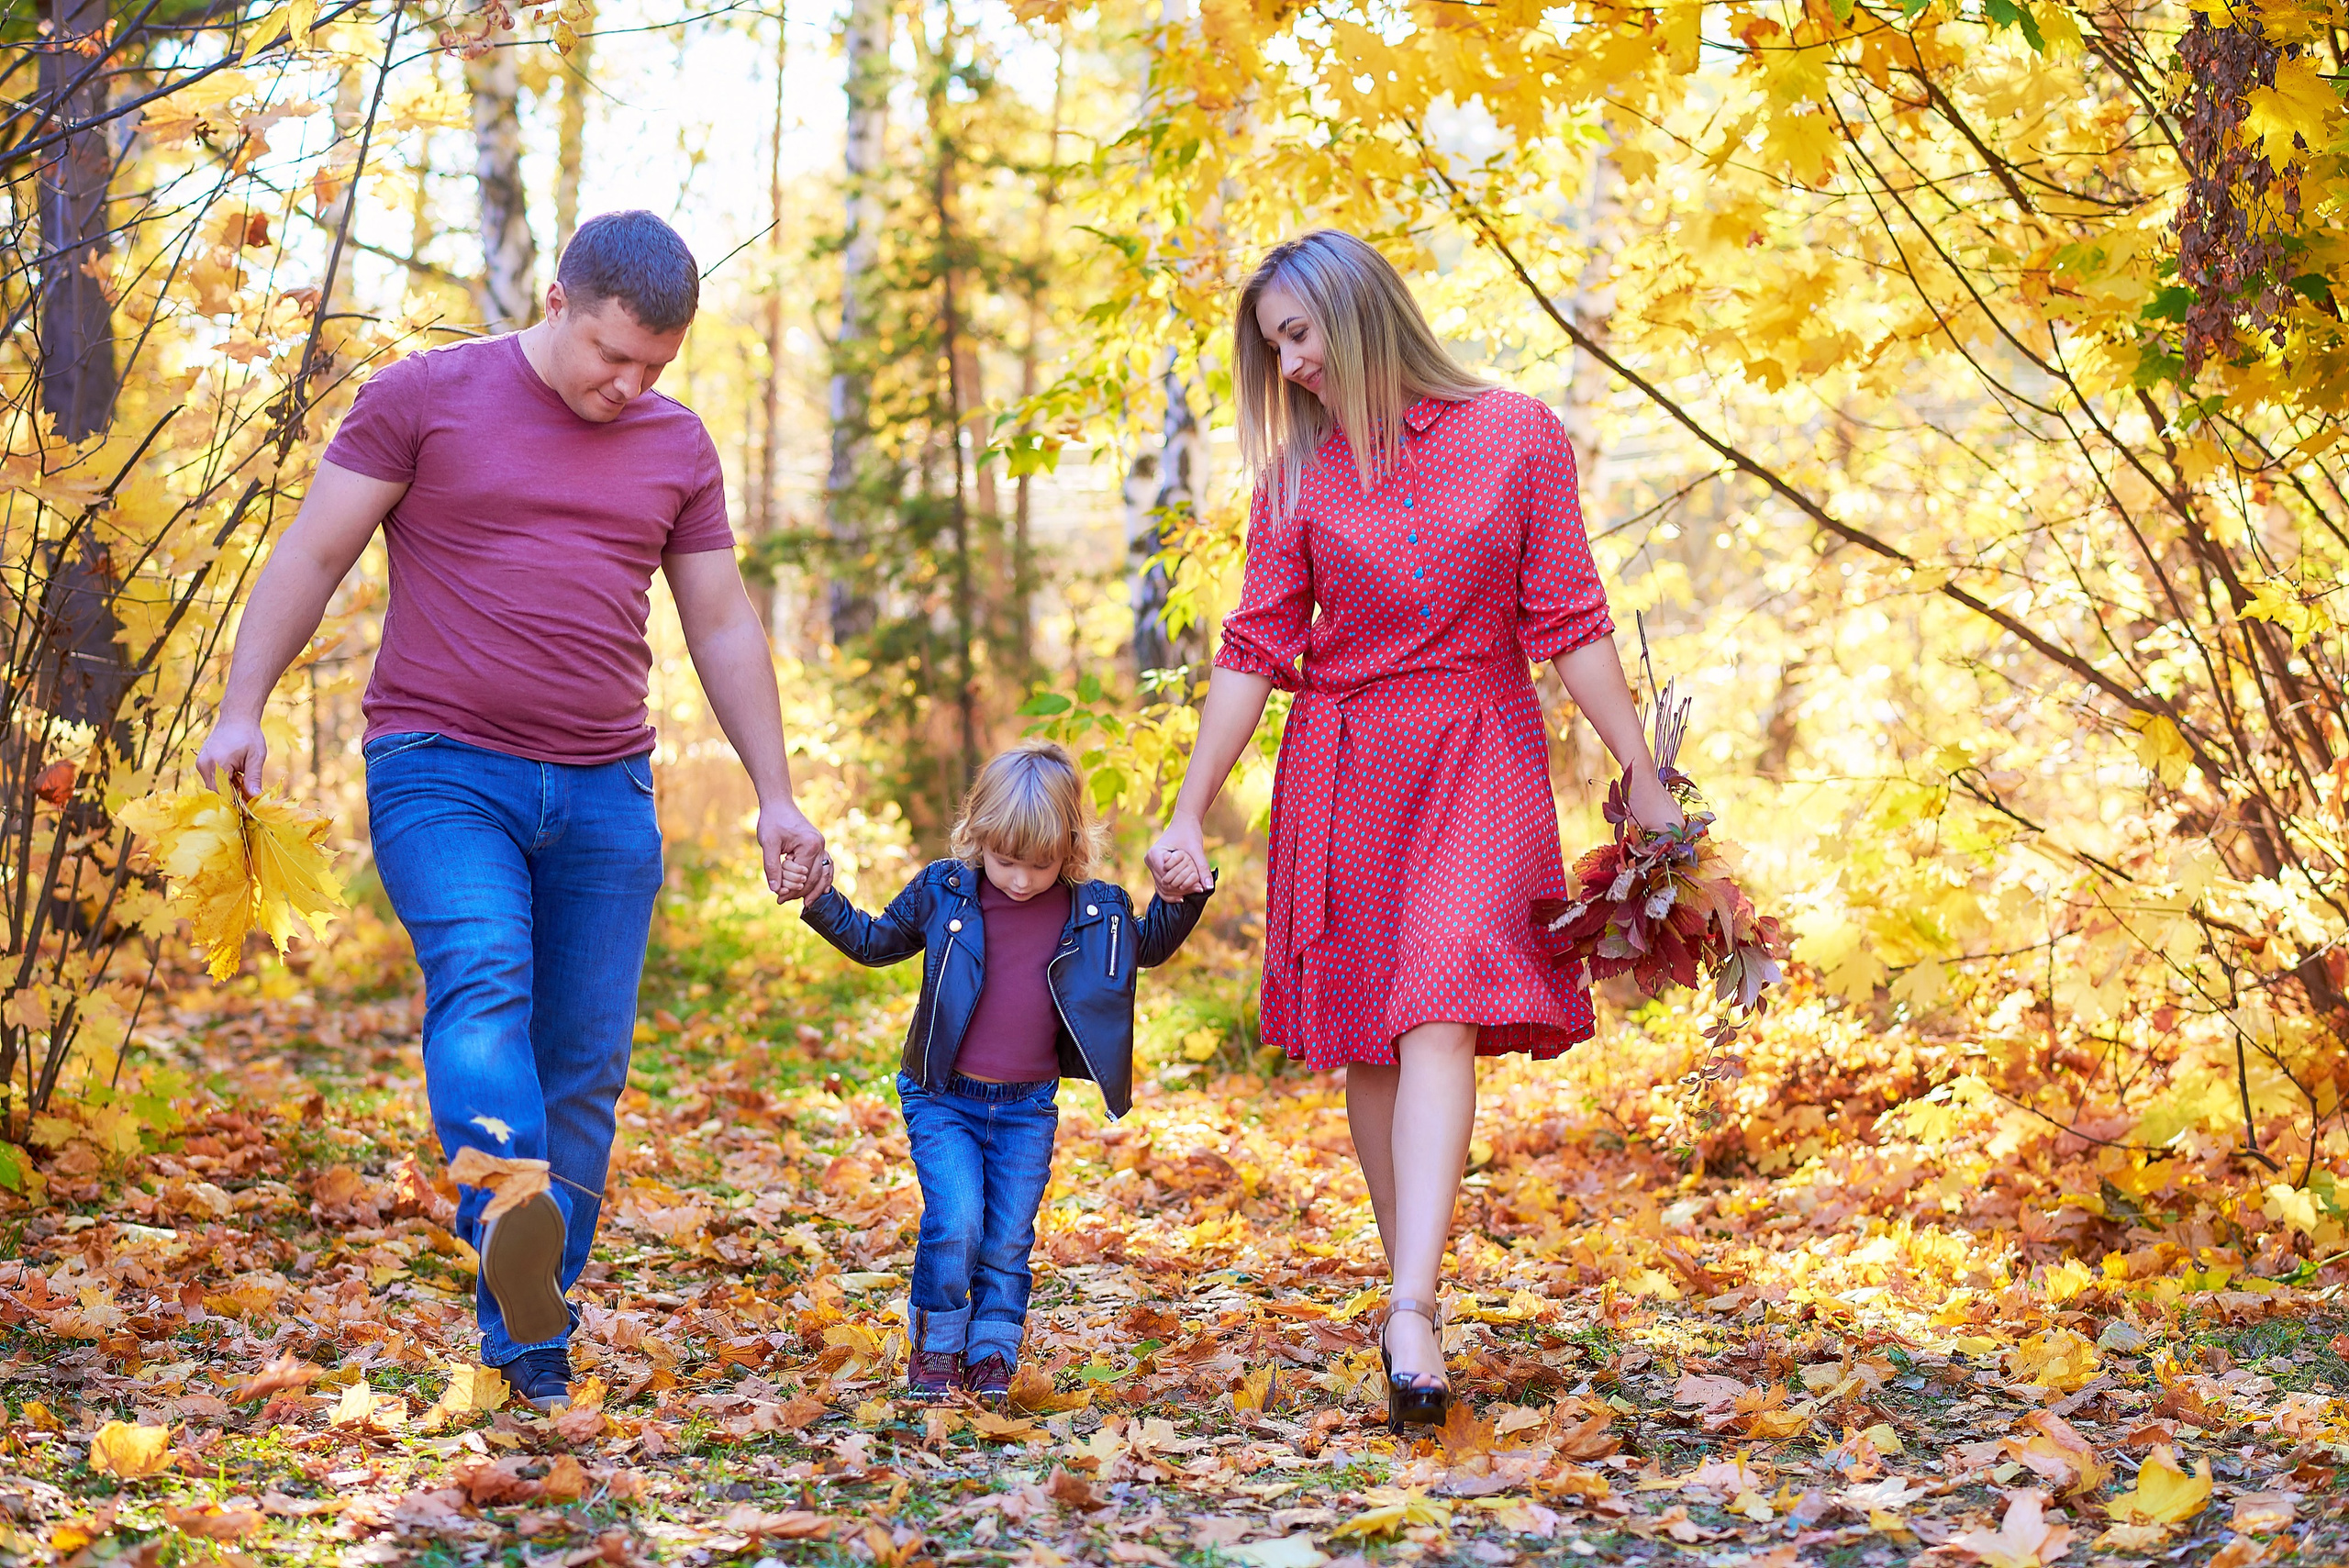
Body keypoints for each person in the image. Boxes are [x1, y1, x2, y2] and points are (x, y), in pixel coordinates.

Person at [193, 210, 829, 1410]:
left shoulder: (676, 444)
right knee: (483, 973)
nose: (630, 385)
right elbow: (314, 555)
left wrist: (775, 794)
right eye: (612, 355)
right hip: (441, 766)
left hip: (605, 787)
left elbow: (722, 621)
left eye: (656, 365)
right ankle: (515, 1224)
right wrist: (243, 707)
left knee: (584, 1064)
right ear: (553, 301)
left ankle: (526, 1328)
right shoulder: (423, 399)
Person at [1144, 229, 1683, 1432]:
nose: (1287, 366)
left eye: (1299, 333)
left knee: (1441, 1001)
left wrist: (1639, 774)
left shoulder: (1519, 434)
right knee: (1376, 1046)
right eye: (1271, 346)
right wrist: (1188, 807)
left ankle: (1415, 1304)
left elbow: (1572, 621)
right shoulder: (1296, 480)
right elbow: (1252, 651)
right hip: (1346, 762)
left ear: (1363, 312)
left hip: (1481, 750)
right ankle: (1410, 1308)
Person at [800, 741, 1212, 1399]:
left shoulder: (1096, 908)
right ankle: (937, 1344)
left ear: (1070, 848)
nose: (1020, 879)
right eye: (1005, 860)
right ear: (980, 836)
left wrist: (1179, 895)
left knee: (1007, 1236)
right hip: (943, 1097)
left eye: (1040, 864)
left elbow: (1150, 947)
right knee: (957, 1216)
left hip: (1026, 1107)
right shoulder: (945, 890)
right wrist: (822, 898)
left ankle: (992, 1348)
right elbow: (877, 940)